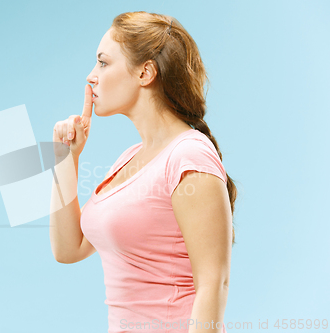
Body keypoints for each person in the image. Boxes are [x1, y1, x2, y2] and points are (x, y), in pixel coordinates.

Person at [50, 11, 237, 333]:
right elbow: (69, 249)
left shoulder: (189, 156)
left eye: (103, 63)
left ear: (145, 72)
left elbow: (213, 284)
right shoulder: (131, 158)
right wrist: (66, 159)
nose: (91, 76)